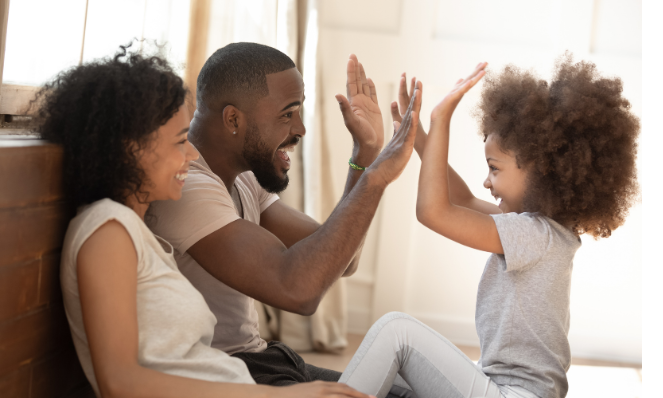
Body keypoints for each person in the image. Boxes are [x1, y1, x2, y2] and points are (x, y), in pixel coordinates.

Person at [41, 45, 420, 398]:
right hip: (247, 374)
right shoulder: (117, 225)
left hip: (253, 366)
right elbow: (298, 289)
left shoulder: (140, 224)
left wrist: (366, 156)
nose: (190, 154)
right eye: (179, 140)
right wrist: (374, 179)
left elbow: (339, 257)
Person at [337, 55, 639, 398]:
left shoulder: (534, 236)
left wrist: (441, 122)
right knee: (391, 380)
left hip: (513, 394)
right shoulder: (543, 232)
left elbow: (433, 212)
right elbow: (462, 202)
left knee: (396, 332)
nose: (486, 181)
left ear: (540, 170)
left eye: (494, 168)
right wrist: (420, 138)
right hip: (499, 386)